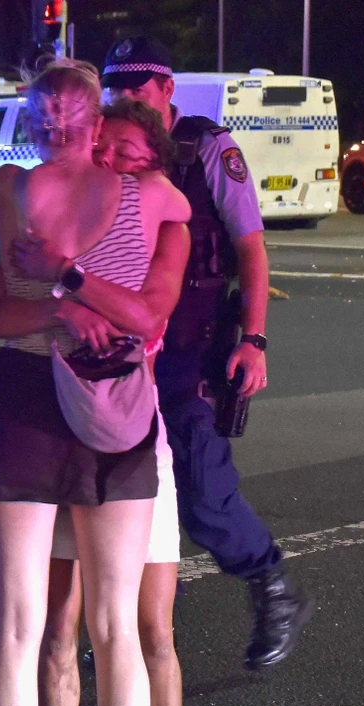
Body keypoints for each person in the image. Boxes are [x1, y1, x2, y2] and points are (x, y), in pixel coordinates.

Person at [0, 60, 190, 706]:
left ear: (29, 118)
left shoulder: (11, 190)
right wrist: (76, 302)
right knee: (115, 625)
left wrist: (56, 295)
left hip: (21, 397)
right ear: (96, 122)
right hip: (111, 402)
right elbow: (151, 300)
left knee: (18, 621)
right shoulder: (151, 196)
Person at [24, 101, 213, 706]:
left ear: (155, 163)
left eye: (130, 151)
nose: (112, 158)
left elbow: (151, 312)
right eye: (105, 145)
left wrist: (67, 278)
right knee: (58, 624)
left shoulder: (163, 221)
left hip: (138, 433)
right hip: (63, 425)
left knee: (152, 629)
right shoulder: (71, 208)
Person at [101, 37, 313, 670]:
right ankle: (132, 629)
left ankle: (273, 585)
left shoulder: (208, 148)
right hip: (126, 352)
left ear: (167, 91)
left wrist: (253, 340)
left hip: (192, 351)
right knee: (123, 494)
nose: (125, 109)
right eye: (114, 97)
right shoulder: (110, 151)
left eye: (137, 95)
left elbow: (250, 250)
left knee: (202, 493)